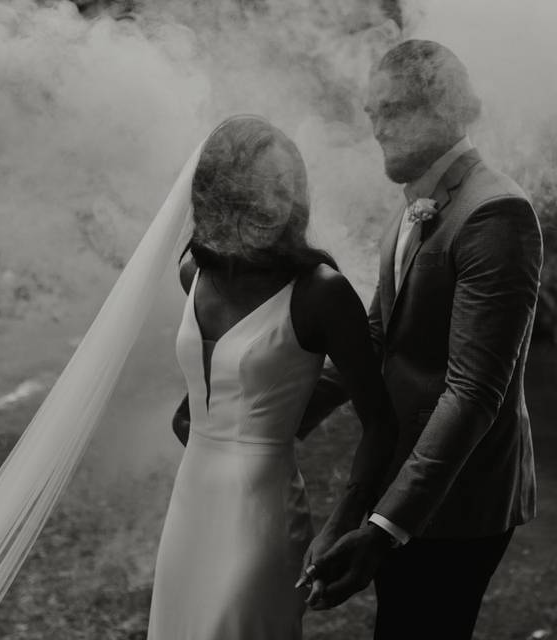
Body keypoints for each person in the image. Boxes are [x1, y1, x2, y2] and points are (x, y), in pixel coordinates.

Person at [298, 40, 544, 639]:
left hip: (459, 499)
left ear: (444, 108)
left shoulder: (496, 213)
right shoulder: (412, 205)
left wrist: (381, 529)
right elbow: (379, 337)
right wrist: (278, 414)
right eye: (372, 112)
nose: (378, 128)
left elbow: (472, 393)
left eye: (394, 110)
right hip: (405, 478)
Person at [147, 115, 398, 640]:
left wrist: (343, 519)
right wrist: (201, 415)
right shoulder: (193, 272)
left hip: (261, 517)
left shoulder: (321, 293)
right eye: (262, 185)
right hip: (190, 506)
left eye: (288, 185)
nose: (277, 199)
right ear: (223, 193)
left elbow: (380, 422)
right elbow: (206, 389)